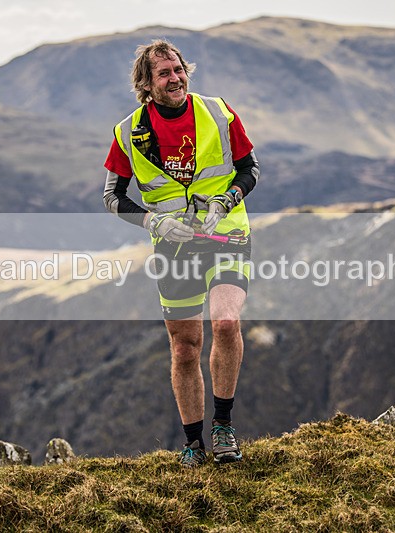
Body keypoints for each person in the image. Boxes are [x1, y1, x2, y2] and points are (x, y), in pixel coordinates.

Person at [103, 39, 260, 467]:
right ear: (147, 84)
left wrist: (225, 201)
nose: (175, 78)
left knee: (226, 323)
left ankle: (223, 426)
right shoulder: (128, 131)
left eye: (178, 69)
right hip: (173, 248)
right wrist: (153, 222)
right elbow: (113, 197)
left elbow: (250, 168)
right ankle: (193, 443)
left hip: (225, 235)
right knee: (185, 348)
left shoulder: (217, 112)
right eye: (164, 73)